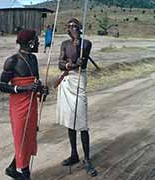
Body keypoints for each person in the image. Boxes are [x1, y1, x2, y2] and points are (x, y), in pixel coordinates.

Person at [0, 29, 49, 180]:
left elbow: (36, 81)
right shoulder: (12, 61)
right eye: (37, 40)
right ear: (31, 43)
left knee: (28, 137)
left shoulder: (33, 59)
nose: (39, 42)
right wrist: (23, 88)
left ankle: (12, 168)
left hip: (32, 104)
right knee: (21, 137)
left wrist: (41, 89)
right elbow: (2, 86)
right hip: (18, 106)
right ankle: (26, 175)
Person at [56, 18, 98, 177]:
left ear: (80, 28)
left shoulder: (86, 43)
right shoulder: (64, 44)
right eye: (68, 26)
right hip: (67, 81)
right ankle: (74, 154)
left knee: (81, 121)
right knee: (70, 120)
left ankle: (87, 159)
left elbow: (81, 61)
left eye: (74, 26)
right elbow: (60, 64)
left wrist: (76, 43)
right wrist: (70, 65)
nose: (70, 28)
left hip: (79, 80)